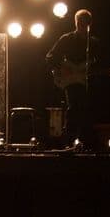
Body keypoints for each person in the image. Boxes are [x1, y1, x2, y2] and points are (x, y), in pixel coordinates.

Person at [45, 8, 99, 146]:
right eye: (80, 23)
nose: (82, 26)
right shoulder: (67, 39)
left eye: (85, 23)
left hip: (87, 82)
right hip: (71, 81)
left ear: (89, 24)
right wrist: (59, 70)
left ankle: (86, 142)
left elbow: (98, 65)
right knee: (75, 106)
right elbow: (50, 57)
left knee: (87, 109)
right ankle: (69, 141)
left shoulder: (93, 43)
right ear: (76, 23)